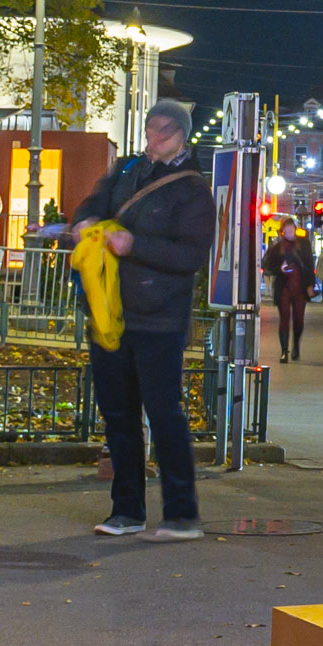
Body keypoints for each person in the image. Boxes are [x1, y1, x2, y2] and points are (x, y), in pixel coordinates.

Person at [72, 102, 217, 540]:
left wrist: (133, 244)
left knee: (163, 413)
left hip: (159, 318)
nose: (153, 142)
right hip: (111, 313)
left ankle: (181, 513)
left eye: (164, 134)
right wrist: (86, 220)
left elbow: (190, 256)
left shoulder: (193, 190)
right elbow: (93, 202)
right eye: (150, 131)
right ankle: (126, 510)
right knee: (117, 415)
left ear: (183, 137)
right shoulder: (128, 169)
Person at [261, 223, 314, 362]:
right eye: (286, 230)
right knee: (284, 319)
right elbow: (268, 266)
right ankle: (284, 351)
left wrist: (310, 285)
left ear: (295, 230)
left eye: (291, 229)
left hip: (300, 288)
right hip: (283, 288)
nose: (289, 232)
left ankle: (296, 345)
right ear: (283, 231)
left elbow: (309, 264)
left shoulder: (304, 245)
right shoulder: (277, 248)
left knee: (299, 320)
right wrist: (280, 269)